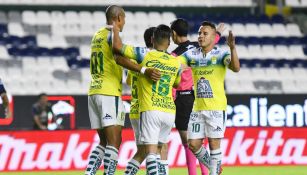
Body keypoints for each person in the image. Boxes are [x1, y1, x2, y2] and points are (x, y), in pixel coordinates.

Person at [85, 5, 160, 175]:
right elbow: (118, 57)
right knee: (114, 141)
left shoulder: (98, 34)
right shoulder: (113, 34)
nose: (124, 22)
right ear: (118, 17)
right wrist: (142, 69)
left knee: (103, 142)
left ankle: (89, 173)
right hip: (108, 92)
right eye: (124, 18)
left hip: (94, 91)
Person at [113, 24, 182, 175]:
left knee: (146, 151)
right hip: (168, 109)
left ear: (151, 39)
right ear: (168, 42)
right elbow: (177, 83)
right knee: (158, 148)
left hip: (143, 108)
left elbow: (128, 80)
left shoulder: (142, 57)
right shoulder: (175, 61)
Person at [179, 21, 240, 175]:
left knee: (214, 144)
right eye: (199, 33)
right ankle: (216, 167)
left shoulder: (221, 54)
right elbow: (176, 64)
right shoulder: (191, 54)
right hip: (197, 108)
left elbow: (236, 68)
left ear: (214, 37)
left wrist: (232, 48)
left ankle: (214, 170)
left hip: (216, 108)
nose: (200, 36)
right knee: (193, 144)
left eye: (205, 33)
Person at [170, 19, 225, 175]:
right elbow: (212, 41)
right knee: (199, 141)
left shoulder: (176, 54)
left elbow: (171, 74)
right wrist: (218, 33)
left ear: (174, 34)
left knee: (188, 143)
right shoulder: (197, 47)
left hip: (182, 99)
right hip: (196, 97)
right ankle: (209, 170)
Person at [124, 27, 169, 175]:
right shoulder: (156, 60)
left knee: (143, 151)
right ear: (154, 39)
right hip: (149, 108)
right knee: (156, 149)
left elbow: (130, 81)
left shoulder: (135, 60)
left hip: (135, 109)